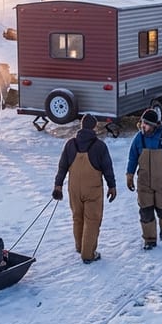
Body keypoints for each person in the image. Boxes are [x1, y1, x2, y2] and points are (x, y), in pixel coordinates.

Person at [53, 114, 118, 265]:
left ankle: (80, 246)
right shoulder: (99, 146)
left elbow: (62, 166)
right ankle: (88, 254)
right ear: (94, 127)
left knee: (78, 217)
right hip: (92, 189)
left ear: (82, 126)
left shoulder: (70, 144)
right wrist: (112, 186)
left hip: (74, 188)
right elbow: (107, 168)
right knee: (92, 220)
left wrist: (58, 185)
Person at [126, 109, 162, 250]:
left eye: (147, 124)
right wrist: (129, 175)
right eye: (143, 123)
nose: (143, 126)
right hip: (144, 182)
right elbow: (133, 157)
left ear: (155, 125)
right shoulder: (139, 138)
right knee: (146, 212)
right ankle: (150, 240)